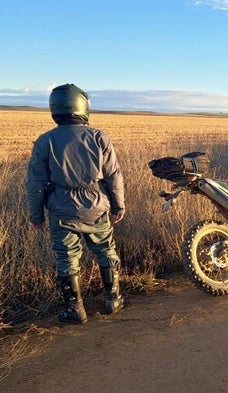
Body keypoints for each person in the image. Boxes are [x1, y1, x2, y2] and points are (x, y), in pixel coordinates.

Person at [26, 83, 126, 324]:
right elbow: (113, 175)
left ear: (55, 108)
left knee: (67, 258)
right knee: (105, 251)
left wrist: (36, 214)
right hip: (97, 207)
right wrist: (118, 205)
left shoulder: (45, 141)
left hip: (62, 210)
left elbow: (35, 182)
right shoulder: (99, 137)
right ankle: (113, 300)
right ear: (82, 106)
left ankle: (75, 309)